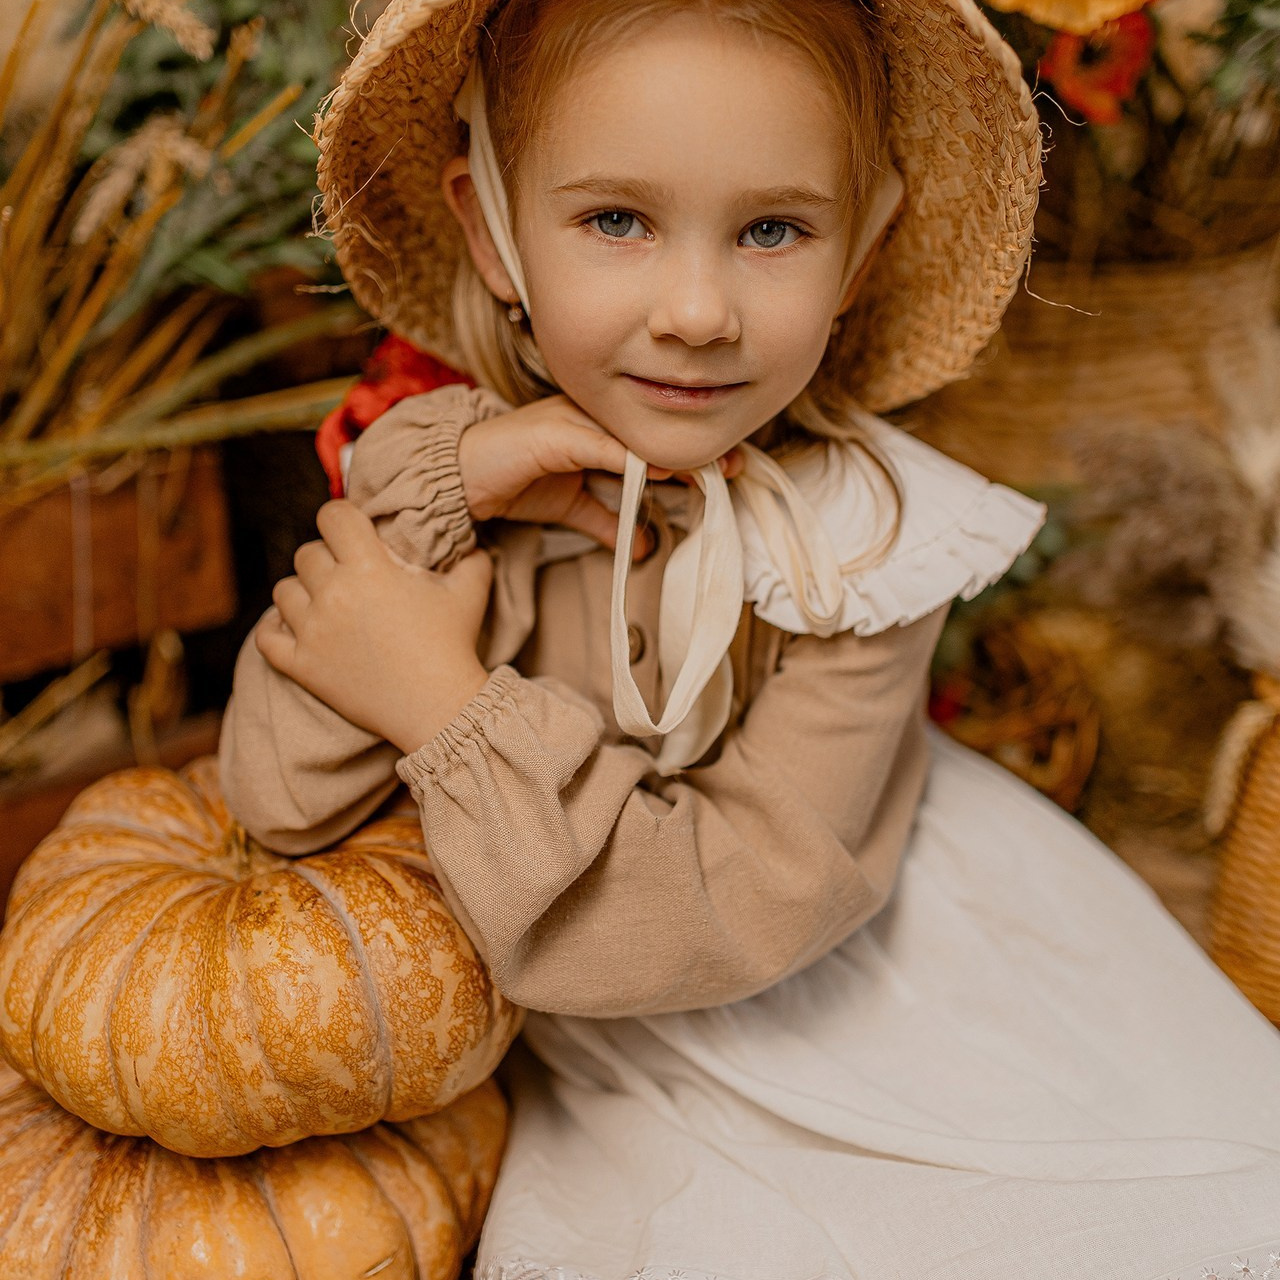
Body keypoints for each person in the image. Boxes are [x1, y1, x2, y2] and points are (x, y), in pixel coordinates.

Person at [219, 0, 1280, 1274]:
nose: (696, 310)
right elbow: (277, 799)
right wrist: (429, 515)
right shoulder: (452, 484)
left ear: (860, 250)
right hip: (590, 1042)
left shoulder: (865, 543)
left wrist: (446, 710)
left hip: (842, 1002)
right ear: (492, 233)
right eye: (616, 220)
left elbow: (736, 910)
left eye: (771, 229)